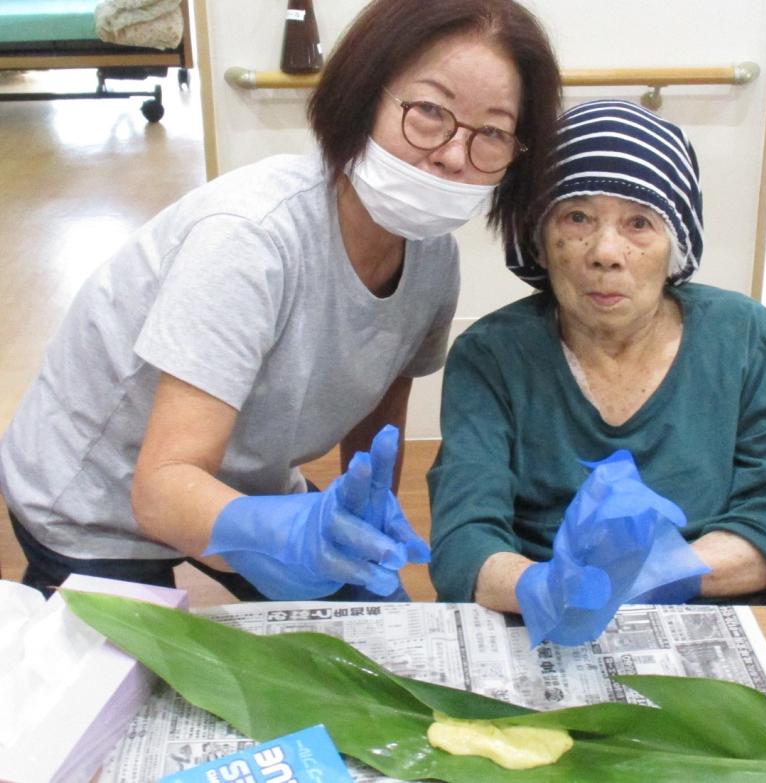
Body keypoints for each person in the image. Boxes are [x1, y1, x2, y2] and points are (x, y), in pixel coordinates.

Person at [0, 0, 561, 601]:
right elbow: (161, 491)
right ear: (362, 96)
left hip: (245, 477)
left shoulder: (434, 259)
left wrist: (363, 520)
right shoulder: (250, 238)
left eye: (492, 133)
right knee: (121, 658)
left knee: (380, 621)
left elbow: (378, 422)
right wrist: (288, 536)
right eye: (428, 111)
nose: (452, 155)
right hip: (98, 496)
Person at [429, 99, 766, 642]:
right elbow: (466, 540)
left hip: (728, 603)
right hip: (548, 620)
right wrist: (545, 587)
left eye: (639, 223)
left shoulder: (750, 338)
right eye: (577, 217)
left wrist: (661, 574)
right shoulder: (491, 356)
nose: (606, 252)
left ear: (676, 242)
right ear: (539, 238)